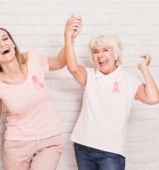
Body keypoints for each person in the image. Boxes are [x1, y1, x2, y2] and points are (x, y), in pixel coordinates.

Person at [64, 14, 159, 170]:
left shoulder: (128, 80)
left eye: (105, 50)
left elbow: (154, 97)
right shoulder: (90, 75)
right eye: (95, 51)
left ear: (115, 54)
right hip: (83, 148)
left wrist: (144, 69)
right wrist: (68, 36)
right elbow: (73, 67)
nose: (100, 55)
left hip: (111, 153)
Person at [0, 27, 66, 170]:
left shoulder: (33, 59)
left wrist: (69, 38)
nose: (2, 44)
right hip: (16, 144)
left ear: (13, 43)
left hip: (49, 139)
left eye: (5, 38)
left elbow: (59, 62)